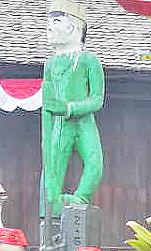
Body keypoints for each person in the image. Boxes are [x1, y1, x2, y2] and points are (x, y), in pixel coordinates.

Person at [41, 0, 104, 215]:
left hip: (83, 123)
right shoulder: (50, 64)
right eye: (49, 22)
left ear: (73, 27)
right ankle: (51, 213)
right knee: (52, 172)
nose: (49, 28)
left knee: (95, 164)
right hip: (60, 128)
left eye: (56, 22)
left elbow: (97, 100)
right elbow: (47, 103)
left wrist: (69, 108)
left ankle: (79, 201)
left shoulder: (89, 60)